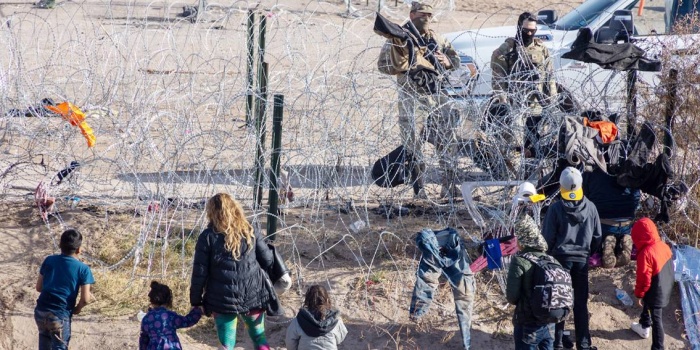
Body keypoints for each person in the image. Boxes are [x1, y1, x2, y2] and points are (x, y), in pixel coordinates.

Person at [190, 193, 276, 350]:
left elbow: (199, 273)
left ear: (212, 213)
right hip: (253, 294)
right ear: (236, 209)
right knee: (258, 337)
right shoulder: (250, 230)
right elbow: (268, 261)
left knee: (226, 344)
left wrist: (196, 301)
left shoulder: (207, 237)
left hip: (221, 299)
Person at [397, 2, 461, 199]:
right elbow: (385, 64)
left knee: (448, 142)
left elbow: (456, 60)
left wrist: (446, 62)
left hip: (437, 97)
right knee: (413, 146)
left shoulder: (437, 38)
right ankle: (419, 189)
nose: (426, 19)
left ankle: (449, 187)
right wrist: (411, 65)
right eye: (422, 15)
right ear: (412, 14)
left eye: (429, 15)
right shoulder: (400, 38)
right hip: (412, 98)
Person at [542, 167, 602, 350]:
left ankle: (558, 343)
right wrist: (587, 252)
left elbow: (547, 238)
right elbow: (597, 237)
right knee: (580, 303)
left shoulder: (555, 209)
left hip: (560, 260)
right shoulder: (591, 207)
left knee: (559, 301)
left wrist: (551, 255)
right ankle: (584, 344)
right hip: (582, 261)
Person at [491, 12, 558, 158]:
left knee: (535, 142)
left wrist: (551, 101)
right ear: (519, 28)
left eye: (532, 31)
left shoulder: (541, 49)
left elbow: (550, 77)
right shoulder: (507, 49)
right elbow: (498, 77)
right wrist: (504, 100)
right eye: (526, 30)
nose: (529, 33)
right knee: (515, 143)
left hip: (537, 104)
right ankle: (514, 173)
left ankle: (533, 172)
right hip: (516, 104)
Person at [507, 184, 555, 349]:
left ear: (522, 239)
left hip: (527, 323)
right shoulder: (550, 259)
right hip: (550, 324)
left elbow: (512, 297)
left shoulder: (520, 261)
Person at [34, 229, 95, 350]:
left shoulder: (49, 260)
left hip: (40, 311)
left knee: (44, 343)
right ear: (79, 249)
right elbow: (86, 299)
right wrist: (77, 309)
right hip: (60, 315)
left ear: (60, 245)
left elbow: (39, 288)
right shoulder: (83, 269)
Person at [582, 167, 640, 268]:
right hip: (627, 222)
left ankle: (608, 241)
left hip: (604, 224)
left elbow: (586, 197)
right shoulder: (631, 169)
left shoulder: (592, 172)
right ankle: (623, 239)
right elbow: (636, 196)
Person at [629, 217, 674, 350]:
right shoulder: (663, 245)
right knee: (648, 305)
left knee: (657, 319)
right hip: (666, 283)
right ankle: (644, 325)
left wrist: (639, 295)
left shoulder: (645, 253)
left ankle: (658, 347)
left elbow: (644, 279)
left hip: (656, 290)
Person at [139, 281, 202, 349]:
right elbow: (188, 321)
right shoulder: (170, 316)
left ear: (151, 300)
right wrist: (197, 310)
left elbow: (143, 339)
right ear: (169, 300)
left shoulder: (146, 319)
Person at [285, 285, 348, 350]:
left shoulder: (299, 320)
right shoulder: (336, 319)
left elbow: (290, 342)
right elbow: (341, 337)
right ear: (327, 299)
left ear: (307, 300)